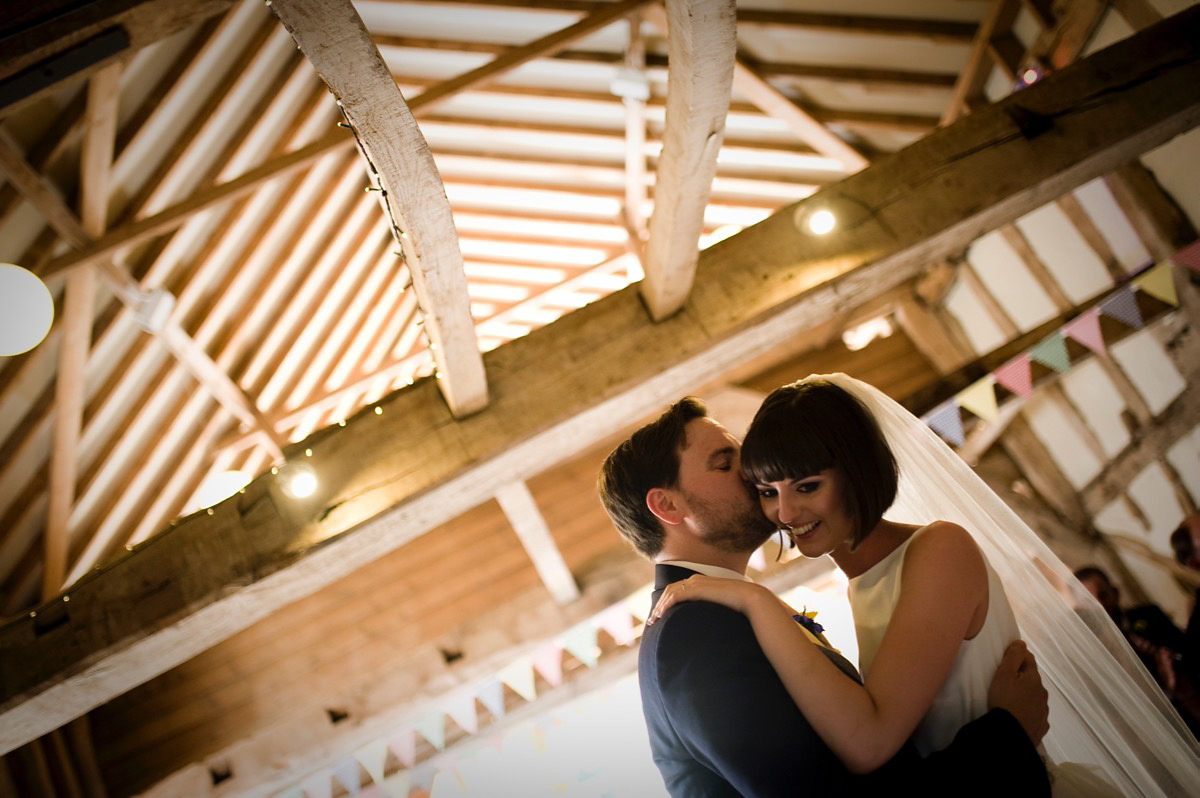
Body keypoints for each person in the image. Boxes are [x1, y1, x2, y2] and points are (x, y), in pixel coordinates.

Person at [649, 375, 1200, 796]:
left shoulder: (939, 550)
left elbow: (870, 741)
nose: (785, 511)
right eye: (767, 490)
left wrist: (751, 597)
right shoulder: (859, 584)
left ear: (858, 474)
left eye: (808, 485)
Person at [597, 395, 1052, 796]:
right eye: (724, 462)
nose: (751, 471)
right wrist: (1007, 739)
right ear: (668, 506)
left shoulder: (720, 612)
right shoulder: (697, 632)